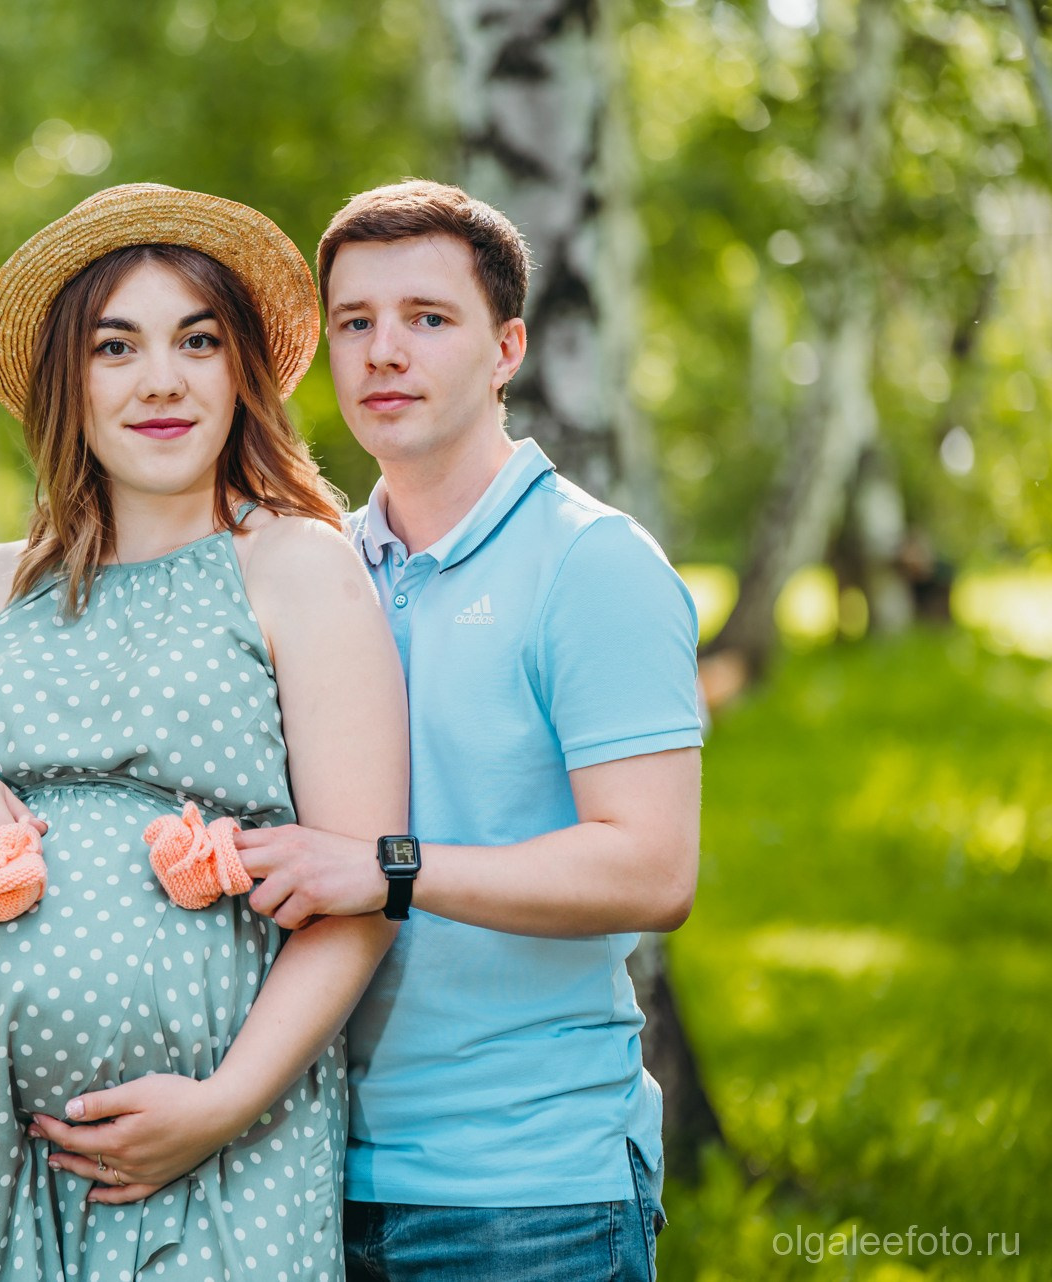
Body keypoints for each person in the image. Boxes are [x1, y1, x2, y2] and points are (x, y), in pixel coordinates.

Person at [0, 183, 408, 1282]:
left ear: (240, 371)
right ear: (66, 382)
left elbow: (360, 896)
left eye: (197, 340)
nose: (161, 380)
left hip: (229, 1140)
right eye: (115, 346)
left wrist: (218, 1106)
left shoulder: (293, 568)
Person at [228, 180, 705, 1280]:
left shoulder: (594, 563)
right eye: (355, 323)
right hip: (309, 1169)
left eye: (427, 319)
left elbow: (652, 866)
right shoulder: (318, 568)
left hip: (528, 1192)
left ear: (506, 349)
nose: (383, 351)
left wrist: (387, 870)